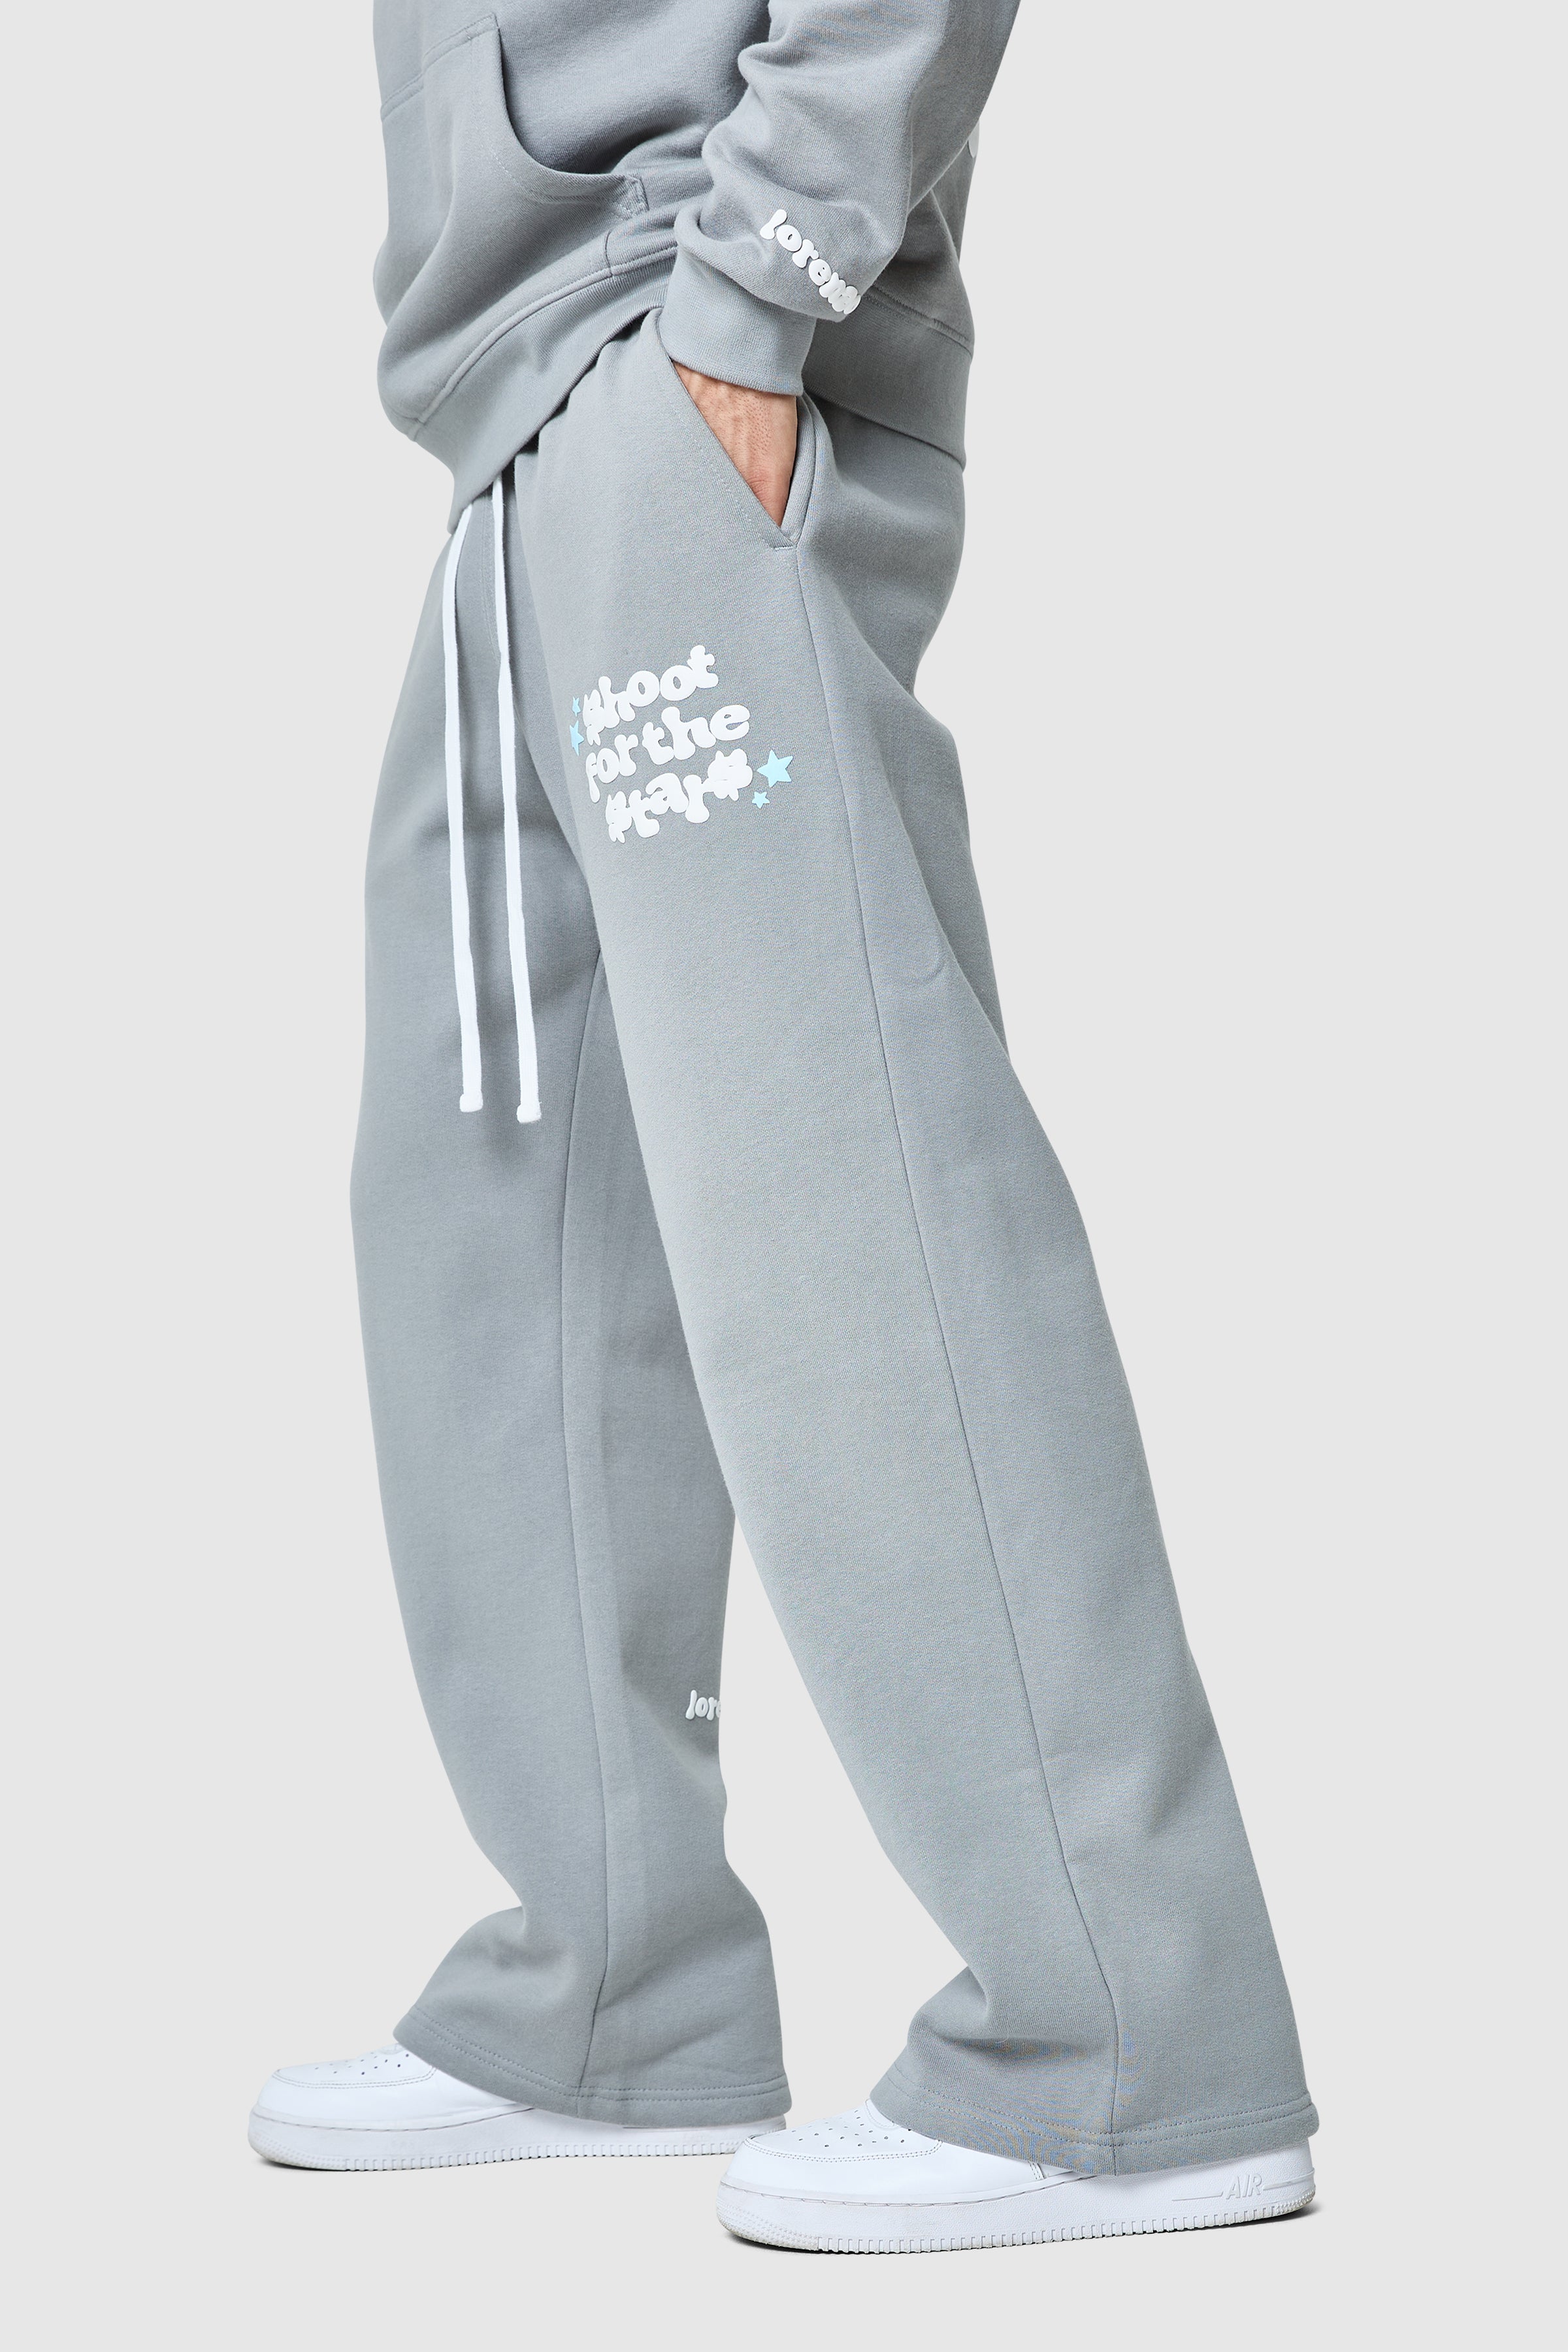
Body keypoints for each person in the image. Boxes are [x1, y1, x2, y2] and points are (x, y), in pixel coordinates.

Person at [248, 0, 1318, 2253]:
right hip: (522, 404)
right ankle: (610, 1984)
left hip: (690, 329)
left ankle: (1130, 2032)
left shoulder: (722, 326)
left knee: (838, 1189)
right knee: (492, 1217)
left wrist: (760, 287)